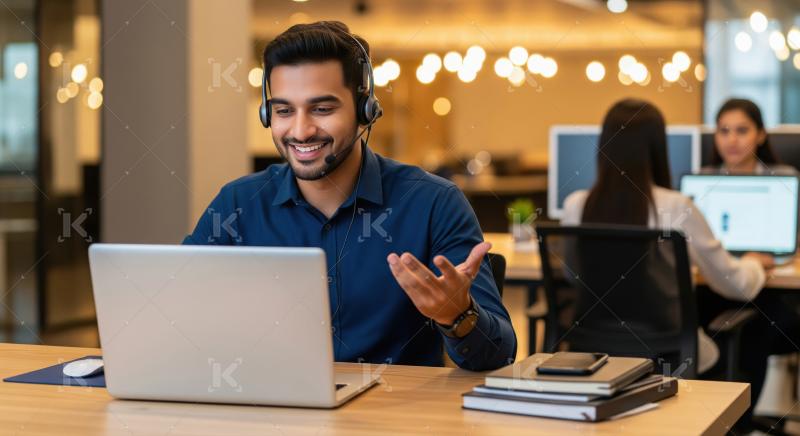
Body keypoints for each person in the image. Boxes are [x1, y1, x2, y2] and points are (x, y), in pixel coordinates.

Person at [183, 21, 516, 371]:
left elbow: (500, 355)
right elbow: (177, 307)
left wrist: (458, 317)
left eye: (322, 109)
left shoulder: (433, 202)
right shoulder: (238, 203)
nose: (300, 130)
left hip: (390, 419)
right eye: (283, 111)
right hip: (273, 411)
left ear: (364, 111)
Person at [560, 98, 773, 375]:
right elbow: (735, 284)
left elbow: (570, 274)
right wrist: (754, 264)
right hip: (667, 353)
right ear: (657, 147)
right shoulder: (676, 206)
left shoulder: (575, 205)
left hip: (590, 350)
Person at [702, 98, 797, 175]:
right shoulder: (700, 178)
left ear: (761, 135)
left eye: (742, 130)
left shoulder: (786, 177)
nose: (732, 140)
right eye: (724, 131)